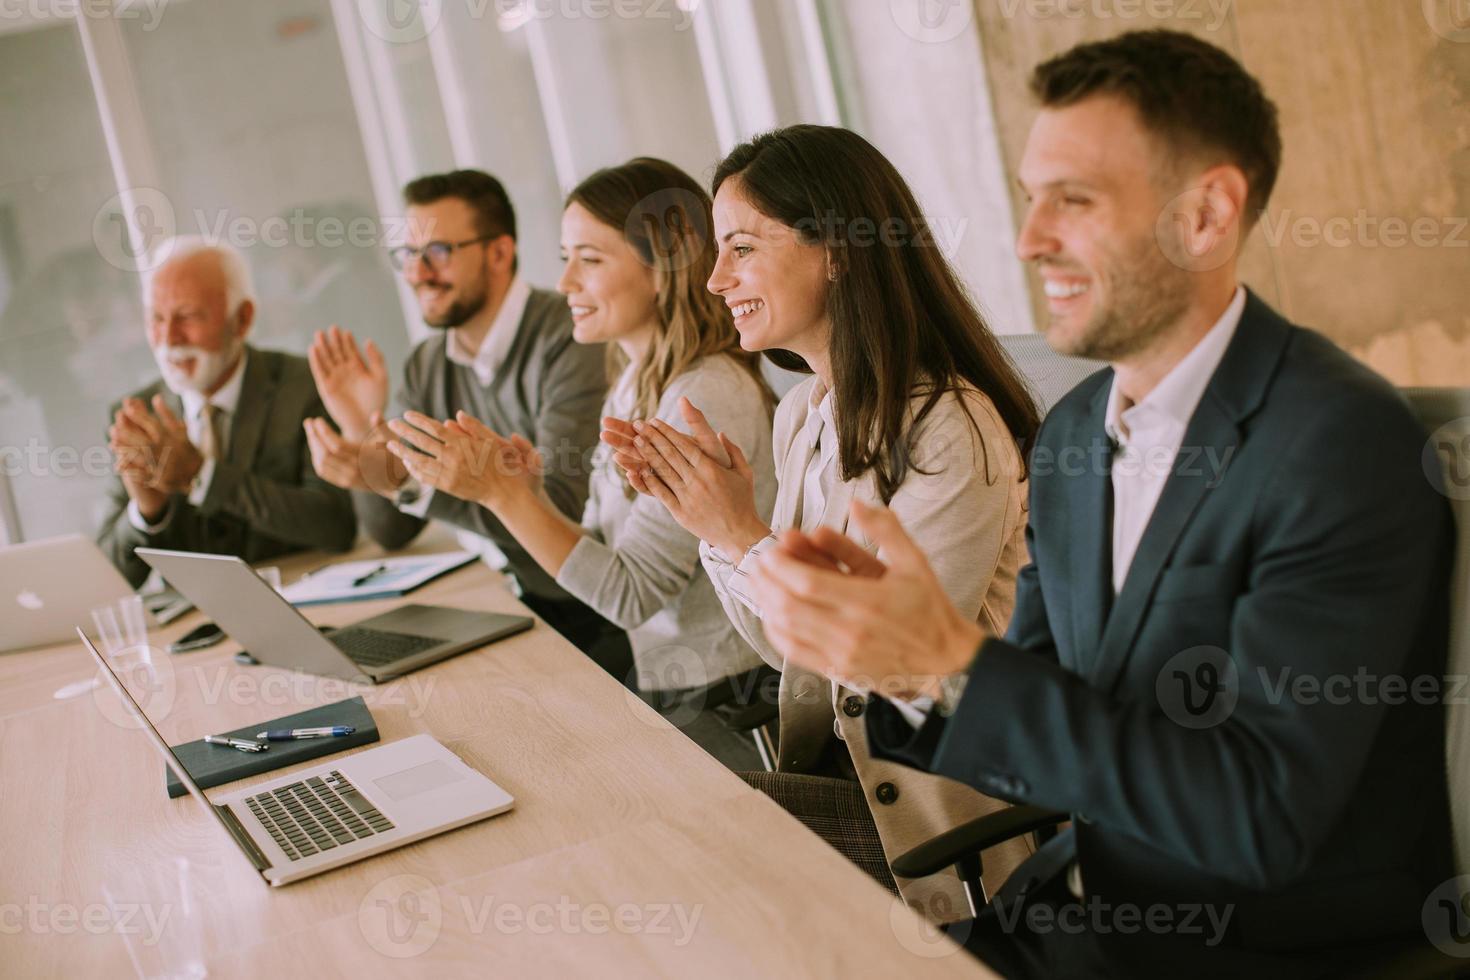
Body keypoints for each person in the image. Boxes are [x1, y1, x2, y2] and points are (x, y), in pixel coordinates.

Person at [748, 31, 1454, 978]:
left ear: (1205, 217)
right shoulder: (1079, 431)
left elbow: (1263, 820)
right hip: (1086, 910)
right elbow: (1049, 701)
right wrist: (911, 666)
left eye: (1073, 202)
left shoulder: (1337, 443)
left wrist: (950, 659)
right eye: (1031, 199)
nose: (1031, 239)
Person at [605, 125, 1042, 918]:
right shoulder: (805, 414)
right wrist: (709, 524)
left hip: (934, 812)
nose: (713, 279)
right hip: (846, 781)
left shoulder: (950, 424)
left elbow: (888, 665)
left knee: (656, 851)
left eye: (740, 247)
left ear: (837, 250)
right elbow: (788, 653)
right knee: (629, 814)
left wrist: (742, 535)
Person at [382, 158, 778, 769]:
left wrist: (502, 496)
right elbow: (601, 546)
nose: (565, 282)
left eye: (589, 260)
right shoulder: (630, 382)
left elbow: (627, 593)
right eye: (566, 256)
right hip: (676, 691)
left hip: (736, 705)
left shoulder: (703, 396)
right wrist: (523, 489)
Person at [302, 170, 615, 662]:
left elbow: (560, 507)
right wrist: (363, 427)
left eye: (438, 252)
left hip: (591, 616)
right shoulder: (427, 363)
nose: (417, 274)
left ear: (498, 252)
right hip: (514, 600)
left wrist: (409, 479)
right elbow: (393, 530)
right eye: (407, 255)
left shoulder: (570, 336)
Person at [98, 237, 355, 588]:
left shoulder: (305, 386)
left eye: (187, 316)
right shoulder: (136, 415)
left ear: (242, 319)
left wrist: (201, 474)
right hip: (201, 632)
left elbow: (335, 526)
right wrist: (147, 511)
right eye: (156, 319)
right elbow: (108, 575)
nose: (169, 338)